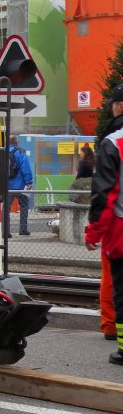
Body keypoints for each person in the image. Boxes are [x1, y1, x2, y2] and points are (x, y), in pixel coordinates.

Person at [85, 83, 123, 363]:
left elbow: (105, 193)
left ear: (119, 106)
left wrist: (93, 231)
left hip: (120, 230)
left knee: (120, 289)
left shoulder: (114, 142)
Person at [7, 135, 33, 236]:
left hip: (7, 186)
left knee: (6, 208)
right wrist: (29, 182)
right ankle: (23, 229)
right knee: (24, 206)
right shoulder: (20, 152)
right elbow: (25, 168)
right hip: (20, 186)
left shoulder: (3, 152)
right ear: (16, 142)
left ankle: (6, 231)